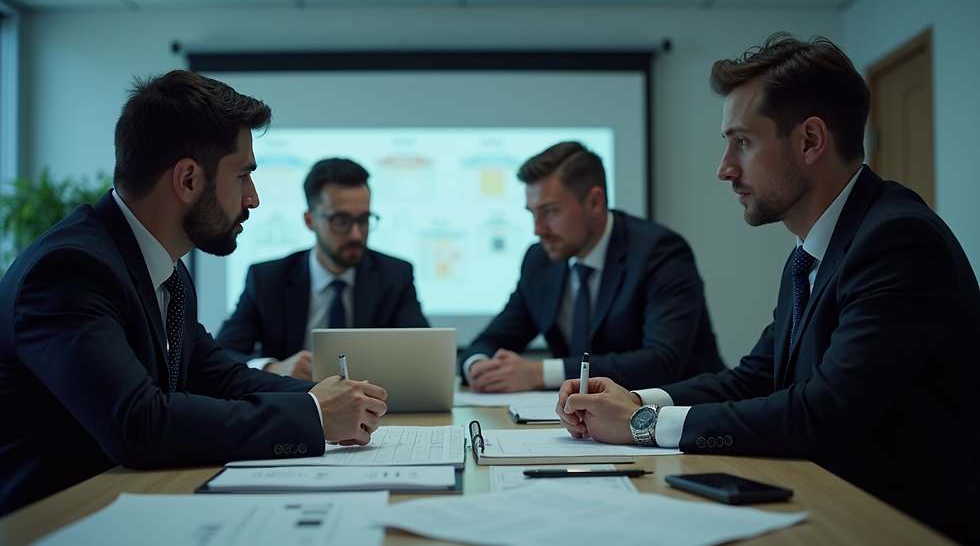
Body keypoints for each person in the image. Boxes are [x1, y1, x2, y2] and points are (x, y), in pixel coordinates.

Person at [556, 33, 979, 545]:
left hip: (901, 526)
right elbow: (755, 379)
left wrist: (643, 424)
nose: (724, 168)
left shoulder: (898, 241)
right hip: (827, 503)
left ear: (809, 141)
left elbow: (825, 414)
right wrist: (632, 398)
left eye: (743, 142)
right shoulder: (812, 251)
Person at [0, 70, 387, 516]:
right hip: (50, 522)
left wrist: (323, 396)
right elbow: (138, 424)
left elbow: (220, 378)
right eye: (243, 176)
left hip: (126, 504)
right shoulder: (69, 270)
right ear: (187, 179)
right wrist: (315, 416)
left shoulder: (166, 271)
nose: (254, 198)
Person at [459, 141, 724, 393]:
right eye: (532, 213)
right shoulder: (540, 261)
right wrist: (479, 366)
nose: (538, 229)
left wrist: (541, 373)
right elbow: (489, 342)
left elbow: (662, 362)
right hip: (591, 426)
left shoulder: (660, 252)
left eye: (550, 211)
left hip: (683, 419)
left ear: (594, 202)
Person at [215, 158, 428, 380]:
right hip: (296, 406)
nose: (356, 234)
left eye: (363, 219)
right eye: (341, 220)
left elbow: (426, 354)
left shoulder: (394, 275)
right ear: (310, 221)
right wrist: (272, 369)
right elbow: (222, 354)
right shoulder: (268, 279)